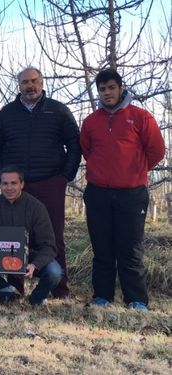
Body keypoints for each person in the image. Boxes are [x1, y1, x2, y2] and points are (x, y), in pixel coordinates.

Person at [0, 67, 80, 299]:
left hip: (50, 181)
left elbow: (75, 143)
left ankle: (60, 289)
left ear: (42, 82)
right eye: (25, 82)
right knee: (12, 235)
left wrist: (65, 175)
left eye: (34, 81)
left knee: (55, 235)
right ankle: (15, 290)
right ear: (18, 85)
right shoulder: (7, 113)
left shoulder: (58, 110)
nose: (30, 86)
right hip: (17, 184)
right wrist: (2, 176)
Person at [80, 69, 165, 311]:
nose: (107, 93)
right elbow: (87, 150)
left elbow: (157, 151)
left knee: (130, 248)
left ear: (120, 88)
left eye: (111, 87)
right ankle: (102, 296)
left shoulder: (140, 117)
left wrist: (134, 171)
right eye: (102, 89)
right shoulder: (91, 122)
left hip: (131, 194)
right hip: (98, 193)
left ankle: (136, 299)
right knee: (102, 247)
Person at [0, 166, 63, 306]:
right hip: (0, 255)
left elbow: (49, 245)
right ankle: (8, 292)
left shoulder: (36, 207)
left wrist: (35, 264)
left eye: (13, 183)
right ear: (0, 185)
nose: (9, 187)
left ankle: (36, 299)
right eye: (5, 183)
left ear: (22, 184)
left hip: (31, 256)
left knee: (55, 272)